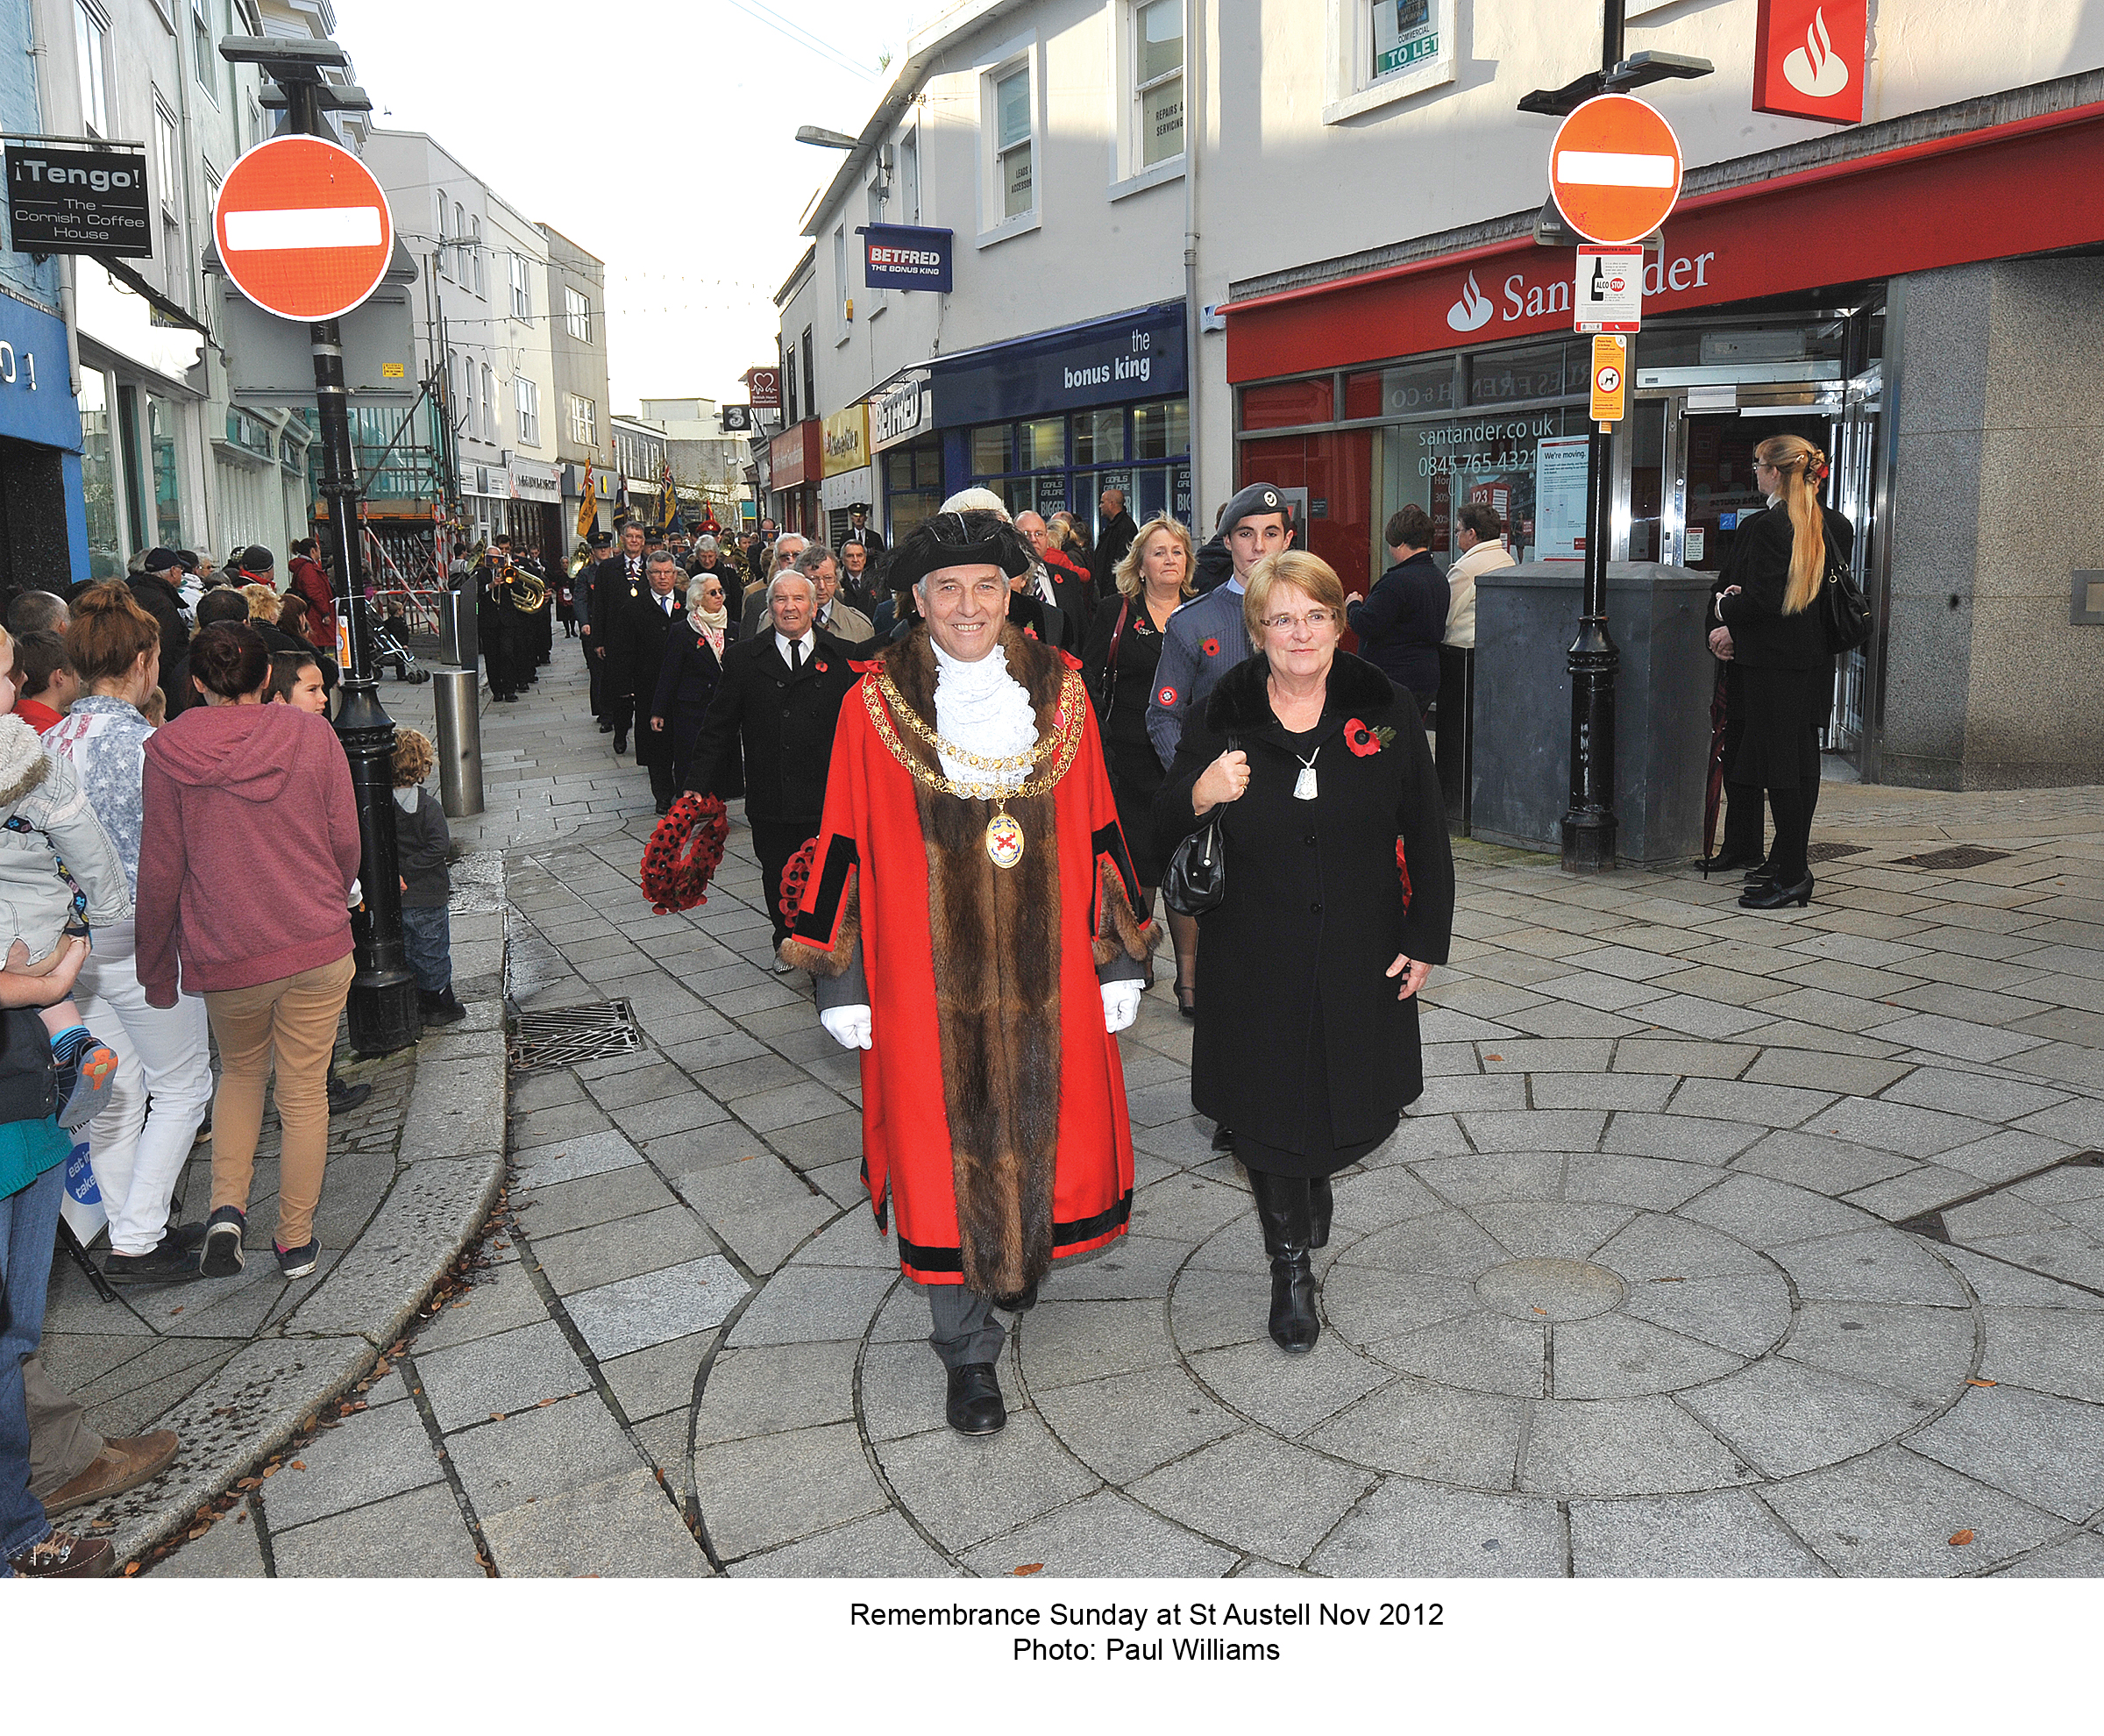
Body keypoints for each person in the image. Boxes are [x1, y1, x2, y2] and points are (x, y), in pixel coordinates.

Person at [780, 509, 1155, 1436]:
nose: (968, 605)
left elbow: (1103, 820)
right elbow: (842, 841)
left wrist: (1118, 955)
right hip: (920, 981)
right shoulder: (872, 706)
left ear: (1013, 592)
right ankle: (967, 1352)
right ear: (916, 601)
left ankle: (1018, 1266)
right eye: (947, 589)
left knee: (1047, 1128)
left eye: (986, 585)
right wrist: (842, 981)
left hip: (1052, 973)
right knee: (942, 1155)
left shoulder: (1062, 694)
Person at [1155, 550, 1454, 1353]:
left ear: (1337, 623)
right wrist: (1200, 790)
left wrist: (1426, 937)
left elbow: (1425, 828)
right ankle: (1289, 1266)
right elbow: (1158, 818)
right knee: (1263, 1115)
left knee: (1344, 1100)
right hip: (1252, 950)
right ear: (1256, 630)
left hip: (1361, 942)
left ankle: (1312, 1173)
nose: (1300, 632)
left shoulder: (1382, 705)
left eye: (1315, 615)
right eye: (1281, 617)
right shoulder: (1225, 706)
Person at [137, 622, 361, 1283]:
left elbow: (160, 872)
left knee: (238, 1075)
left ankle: (227, 1210)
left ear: (197, 682)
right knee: (302, 1093)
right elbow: (345, 838)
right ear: (268, 678)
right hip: (314, 938)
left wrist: (155, 966)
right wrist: (330, 890)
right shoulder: (311, 735)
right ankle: (294, 1239)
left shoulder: (167, 750)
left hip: (228, 948)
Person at [47, 585, 215, 1284]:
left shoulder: (46, 740)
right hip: (144, 941)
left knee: (113, 1089)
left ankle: (130, 1225)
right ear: (145, 659)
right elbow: (184, 854)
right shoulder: (152, 746)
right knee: (182, 1087)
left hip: (69, 947)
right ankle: (139, 1238)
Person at [1, 935, 118, 1576]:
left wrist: (65, 1026)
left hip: (29, 1112)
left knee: (14, 1345)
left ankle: (18, 1533)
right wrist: (43, 984)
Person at [682, 569, 857, 959]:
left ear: (814, 607)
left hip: (825, 794)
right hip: (770, 794)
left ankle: (817, 947)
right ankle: (785, 939)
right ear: (770, 607)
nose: (789, 608)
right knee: (777, 872)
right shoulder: (745, 658)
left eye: (798, 600)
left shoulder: (841, 657)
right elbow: (718, 725)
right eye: (781, 600)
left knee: (825, 874)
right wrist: (697, 781)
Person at [0, 623, 128, 1132]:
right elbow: (85, 843)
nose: (19, 683)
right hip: (35, 933)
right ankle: (75, 1043)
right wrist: (106, 909)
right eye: (9, 675)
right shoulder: (30, 758)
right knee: (53, 982)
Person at [1715, 434, 1847, 911]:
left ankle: (1793, 873)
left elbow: (1766, 602)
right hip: (1810, 665)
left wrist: (1726, 603)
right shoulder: (1832, 524)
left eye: (1758, 465)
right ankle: (1787, 864)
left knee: (1780, 772)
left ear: (1776, 472)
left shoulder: (1775, 526)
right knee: (1799, 766)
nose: (1754, 472)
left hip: (1772, 665)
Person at [1083, 514, 1198, 1010]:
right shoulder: (1116, 612)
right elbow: (1086, 681)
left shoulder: (1203, 612)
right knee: (1136, 865)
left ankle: (1190, 981)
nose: (1168, 559)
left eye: (1177, 551)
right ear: (1141, 564)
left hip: (1185, 759)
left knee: (1185, 863)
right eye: (1158, 551)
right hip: (1127, 759)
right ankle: (1140, 957)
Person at [392, 729, 466, 1028]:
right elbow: (439, 846)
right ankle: (438, 1000)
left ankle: (419, 999)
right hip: (429, 894)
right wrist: (412, 866)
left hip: (401, 894)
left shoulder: (383, 806)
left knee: (410, 950)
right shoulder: (427, 807)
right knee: (432, 949)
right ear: (422, 766)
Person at [1346, 504, 1447, 713]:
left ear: (1400, 542)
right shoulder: (1439, 577)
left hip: (1395, 677)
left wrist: (1353, 605)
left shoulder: (1397, 582)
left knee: (1386, 740)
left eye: (1391, 544)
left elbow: (1366, 623)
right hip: (1427, 674)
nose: (1390, 550)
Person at [650, 571, 741, 800]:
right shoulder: (683, 630)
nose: (719, 596)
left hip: (723, 704)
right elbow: (669, 672)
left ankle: (719, 801)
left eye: (721, 591)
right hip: (693, 706)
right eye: (713, 593)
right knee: (692, 753)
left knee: (722, 753)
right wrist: (658, 710)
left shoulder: (732, 628)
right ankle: (692, 800)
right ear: (698, 599)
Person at [610, 550, 686, 814]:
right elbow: (623, 651)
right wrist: (624, 688)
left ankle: (685, 791)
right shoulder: (634, 608)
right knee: (657, 745)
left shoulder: (688, 605)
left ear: (675, 575)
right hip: (650, 687)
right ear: (648, 575)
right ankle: (662, 795)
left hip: (686, 688)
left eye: (667, 572)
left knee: (685, 741)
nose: (662, 578)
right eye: (656, 573)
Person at [593, 524, 649, 742]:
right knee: (621, 689)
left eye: (638, 537)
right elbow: (599, 607)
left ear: (643, 542)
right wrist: (598, 640)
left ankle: (643, 737)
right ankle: (621, 730)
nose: (634, 541)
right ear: (622, 540)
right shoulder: (608, 568)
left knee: (643, 689)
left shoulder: (652, 566)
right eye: (630, 537)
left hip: (645, 639)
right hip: (617, 639)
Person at [1445, 501, 1511, 652]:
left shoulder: (1466, 569)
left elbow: (1444, 614)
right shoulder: (1506, 558)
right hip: (1495, 645)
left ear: (1471, 534)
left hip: (1462, 651)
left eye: (1458, 530)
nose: (1456, 535)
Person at [1013, 511, 1090, 641]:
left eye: (1039, 534)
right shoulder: (1006, 581)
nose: (1033, 539)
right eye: (1026, 534)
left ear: (1047, 539)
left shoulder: (1069, 579)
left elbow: (1081, 634)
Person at [127, 549, 190, 669]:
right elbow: (165, 650)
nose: (182, 573)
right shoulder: (163, 604)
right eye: (180, 568)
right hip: (157, 676)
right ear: (173, 571)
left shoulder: (133, 594)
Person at [803, 544, 873, 644]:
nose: (822, 586)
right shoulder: (781, 623)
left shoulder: (859, 625)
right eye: (813, 579)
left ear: (836, 580)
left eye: (828, 578)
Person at [11, 632, 78, 733]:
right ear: (60, 676)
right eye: (75, 670)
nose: (79, 679)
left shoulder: (12, 717)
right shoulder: (58, 732)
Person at [286, 537, 338, 656]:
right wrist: (325, 613)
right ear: (313, 551)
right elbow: (313, 592)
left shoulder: (303, 567)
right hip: (316, 614)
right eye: (318, 548)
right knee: (320, 646)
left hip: (312, 612)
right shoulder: (309, 569)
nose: (320, 551)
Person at [1092, 485, 1140, 601]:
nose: (1100, 506)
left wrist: (1110, 592)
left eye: (1103, 502)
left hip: (1115, 592)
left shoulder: (1125, 527)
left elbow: (1121, 560)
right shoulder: (1114, 526)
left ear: (1112, 503)